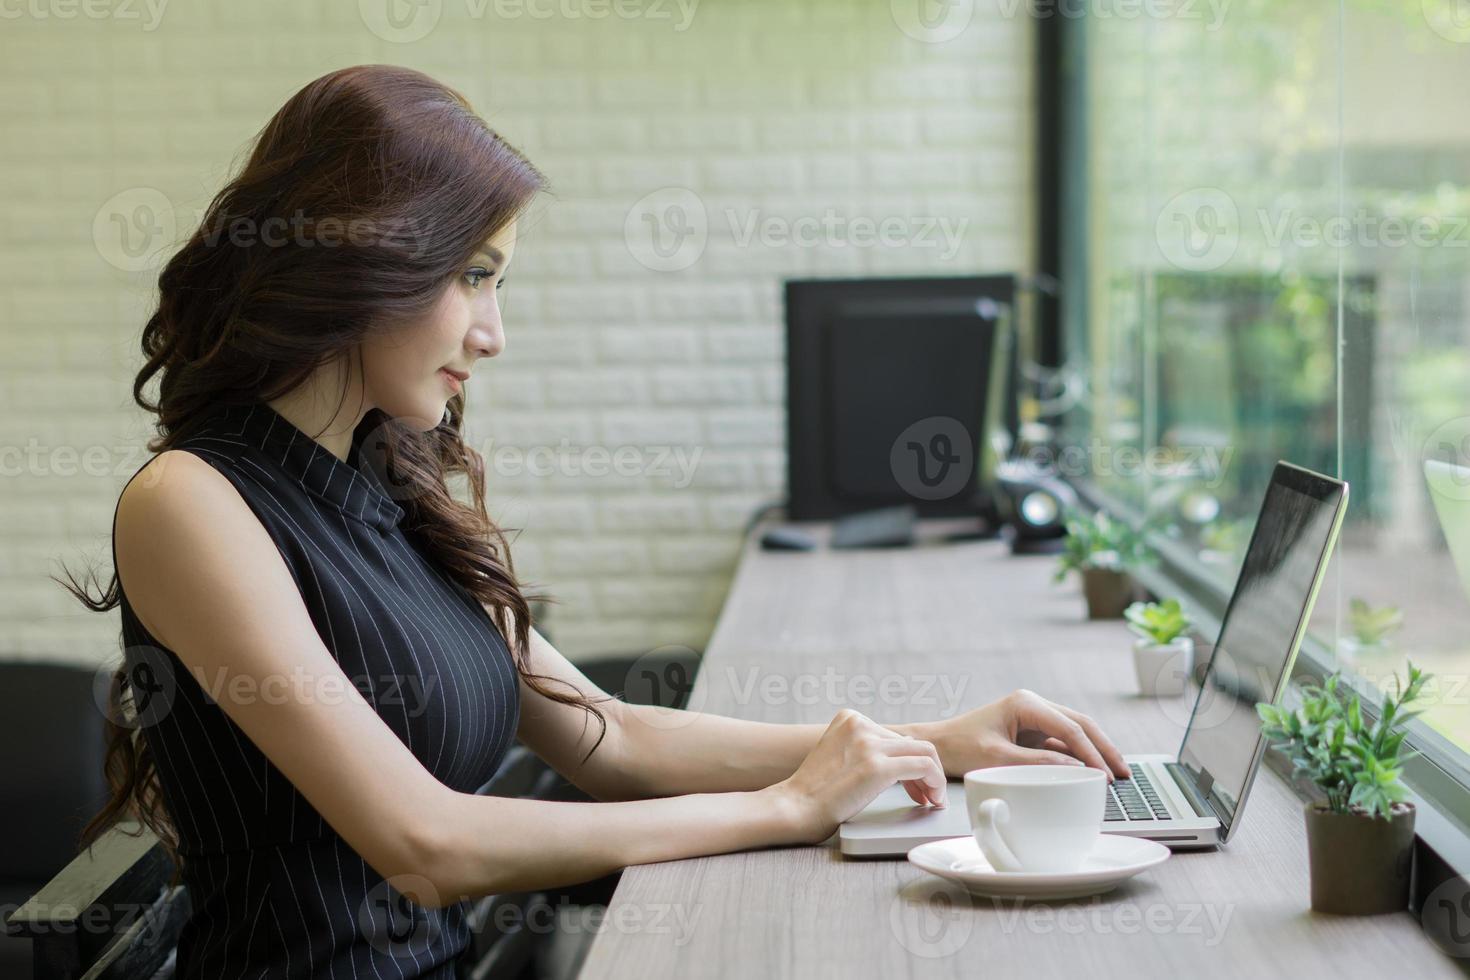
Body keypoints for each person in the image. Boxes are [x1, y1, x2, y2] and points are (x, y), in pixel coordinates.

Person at [62, 65, 1129, 978]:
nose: (494, 333)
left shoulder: (382, 479)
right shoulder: (192, 504)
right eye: (474, 276)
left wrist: (929, 741)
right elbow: (425, 843)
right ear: (366, 258)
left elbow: (611, 736)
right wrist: (788, 808)